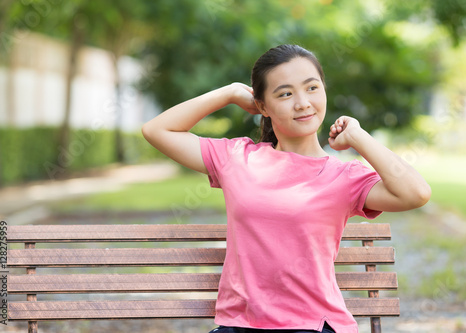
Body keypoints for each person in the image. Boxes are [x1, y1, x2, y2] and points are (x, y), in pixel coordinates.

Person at [142, 44, 431, 333]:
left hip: (313, 325)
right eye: (285, 93)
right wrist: (229, 93)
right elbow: (156, 130)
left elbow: (416, 193)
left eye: (312, 88)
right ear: (263, 107)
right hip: (239, 325)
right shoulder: (237, 158)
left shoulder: (343, 175)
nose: (303, 102)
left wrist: (358, 136)